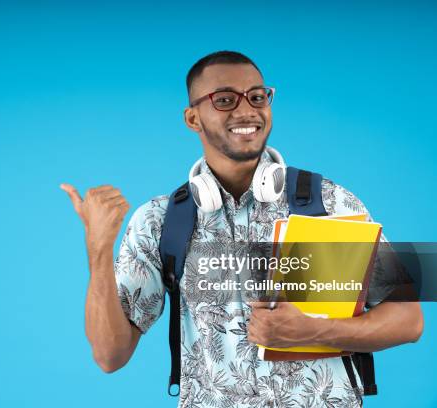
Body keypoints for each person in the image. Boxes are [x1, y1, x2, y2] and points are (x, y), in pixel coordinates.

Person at [61, 51, 423, 407]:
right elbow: (110, 355)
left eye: (257, 96)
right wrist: (99, 248)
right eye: (224, 100)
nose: (247, 110)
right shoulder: (160, 221)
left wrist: (315, 331)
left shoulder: (328, 203)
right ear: (192, 118)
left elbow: (408, 320)